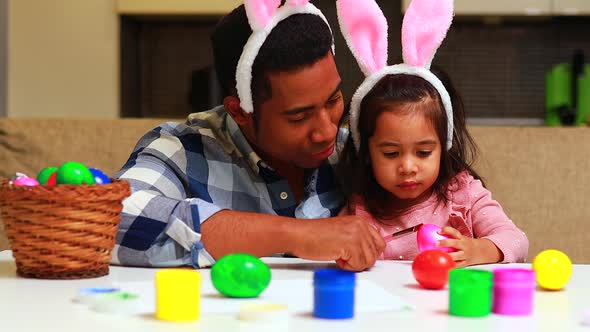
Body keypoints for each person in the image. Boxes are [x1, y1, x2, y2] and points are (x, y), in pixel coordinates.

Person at [112, 0, 385, 271]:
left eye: (333, 100)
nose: (327, 131)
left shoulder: (360, 151)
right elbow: (112, 218)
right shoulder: (183, 149)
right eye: (299, 117)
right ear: (241, 111)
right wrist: (297, 234)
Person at [336, 0, 528, 266]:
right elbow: (334, 252)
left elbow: (516, 239)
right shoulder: (360, 210)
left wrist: (480, 250)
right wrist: (347, 258)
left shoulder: (464, 196)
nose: (408, 166)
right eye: (391, 153)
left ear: (443, 146)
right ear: (367, 152)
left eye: (424, 152)